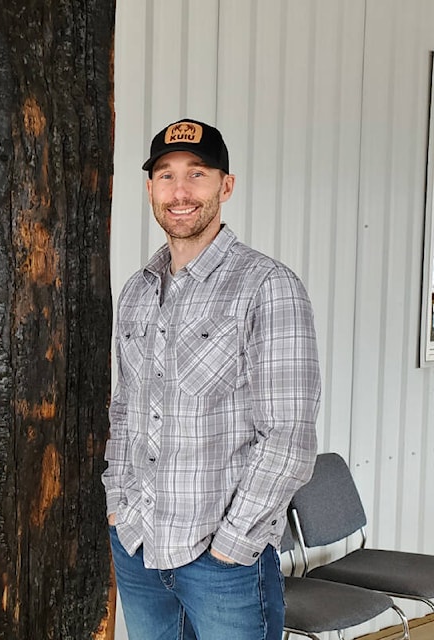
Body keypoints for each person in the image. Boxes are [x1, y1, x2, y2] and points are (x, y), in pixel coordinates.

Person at [103, 119, 320, 639]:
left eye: (197, 174)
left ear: (226, 185)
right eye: (165, 175)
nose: (180, 192)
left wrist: (232, 546)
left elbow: (289, 440)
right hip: (137, 547)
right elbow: (126, 409)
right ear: (150, 188)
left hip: (223, 564)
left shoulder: (268, 287)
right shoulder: (137, 290)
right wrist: (117, 506)